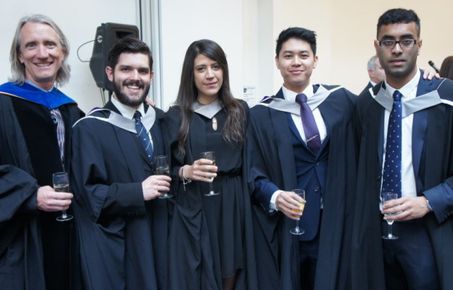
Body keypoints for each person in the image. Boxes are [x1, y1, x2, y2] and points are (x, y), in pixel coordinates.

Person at [247, 27, 357, 290]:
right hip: (290, 226)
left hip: (338, 223)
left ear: (315, 60)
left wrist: (427, 77)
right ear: (277, 61)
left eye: (303, 55)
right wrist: (275, 196)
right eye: (288, 56)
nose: (296, 62)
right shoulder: (261, 114)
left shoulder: (341, 100)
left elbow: (379, 104)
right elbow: (252, 171)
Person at [351, 8, 453, 290]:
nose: (397, 49)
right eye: (388, 41)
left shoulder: (446, 98)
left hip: (429, 230)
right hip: (375, 232)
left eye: (406, 41)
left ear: (419, 45)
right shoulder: (366, 105)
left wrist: (428, 201)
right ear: (377, 46)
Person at [71, 37, 171, 290]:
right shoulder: (90, 128)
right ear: (110, 73)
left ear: (151, 76)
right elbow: (88, 194)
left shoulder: (162, 121)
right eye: (126, 69)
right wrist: (137, 191)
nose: (135, 77)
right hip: (123, 247)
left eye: (142, 71)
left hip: (167, 241)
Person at [163, 39, 257, 290]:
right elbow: (163, 171)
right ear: (190, 74)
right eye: (201, 68)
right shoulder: (177, 116)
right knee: (200, 271)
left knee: (232, 268)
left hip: (233, 202)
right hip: (196, 202)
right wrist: (186, 171)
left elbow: (254, 161)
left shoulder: (240, 110)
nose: (210, 75)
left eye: (216, 66)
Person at [0, 14, 84, 290]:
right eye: (31, 45)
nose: (42, 53)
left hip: (70, 237)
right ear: (20, 55)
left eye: (50, 44)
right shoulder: (3, 105)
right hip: (22, 241)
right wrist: (28, 194)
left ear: (62, 53)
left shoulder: (71, 110)